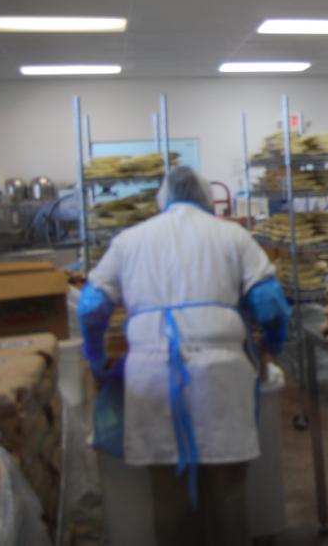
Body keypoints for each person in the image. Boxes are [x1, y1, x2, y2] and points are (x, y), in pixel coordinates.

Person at [77, 166, 290, 546]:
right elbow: (270, 304)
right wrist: (272, 346)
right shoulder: (232, 235)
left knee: (168, 497)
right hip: (221, 375)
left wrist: (96, 359)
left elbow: (91, 306)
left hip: (151, 376)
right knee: (227, 492)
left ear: (162, 199)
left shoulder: (129, 240)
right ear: (207, 199)